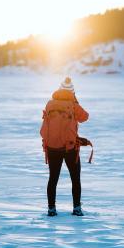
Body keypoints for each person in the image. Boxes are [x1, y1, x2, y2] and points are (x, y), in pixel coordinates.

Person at [40, 77, 89, 217]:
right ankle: (77, 208)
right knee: (75, 178)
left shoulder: (50, 104)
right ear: (72, 92)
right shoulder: (73, 104)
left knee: (53, 178)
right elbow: (85, 117)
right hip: (70, 148)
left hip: (52, 147)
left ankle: (51, 209)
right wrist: (75, 101)